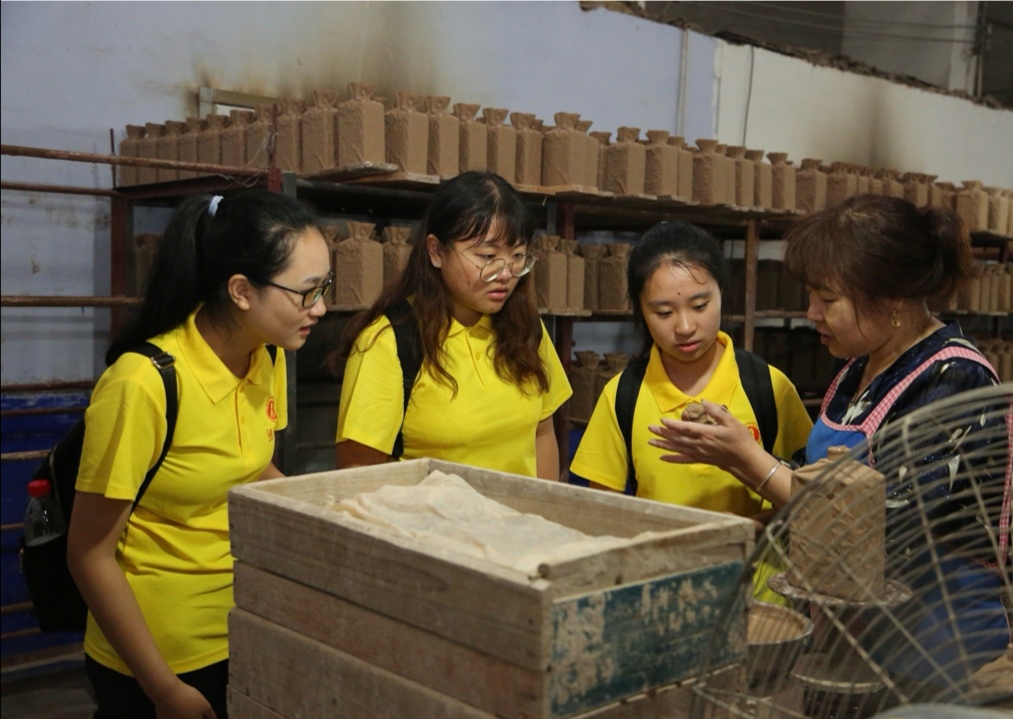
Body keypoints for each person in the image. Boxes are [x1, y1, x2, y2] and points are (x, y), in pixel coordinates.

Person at [648, 195, 1012, 688]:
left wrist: (753, 462)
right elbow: (810, 476)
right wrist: (731, 459)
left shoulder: (955, 378)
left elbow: (890, 524)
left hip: (933, 644)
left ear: (890, 300)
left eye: (828, 298)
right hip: (854, 631)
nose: (811, 312)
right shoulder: (857, 370)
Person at [68, 190, 331, 719]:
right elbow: (89, 554)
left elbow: (250, 465)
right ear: (240, 291)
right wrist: (164, 690)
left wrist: (327, 518)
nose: (321, 308)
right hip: (159, 656)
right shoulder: (142, 385)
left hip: (242, 623)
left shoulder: (268, 354)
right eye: (306, 293)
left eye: (325, 288)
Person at [570, 220, 812, 526]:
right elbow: (604, 514)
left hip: (755, 570)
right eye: (664, 313)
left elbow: (811, 497)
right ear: (641, 311)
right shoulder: (622, 395)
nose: (685, 328)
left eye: (699, 306)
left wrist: (751, 528)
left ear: (722, 293)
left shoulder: (769, 388)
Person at [334, 171, 571, 479]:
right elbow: (358, 470)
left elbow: (542, 433)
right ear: (436, 251)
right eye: (487, 256)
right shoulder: (390, 340)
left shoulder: (525, 328)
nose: (505, 274)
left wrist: (541, 517)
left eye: (517, 257)